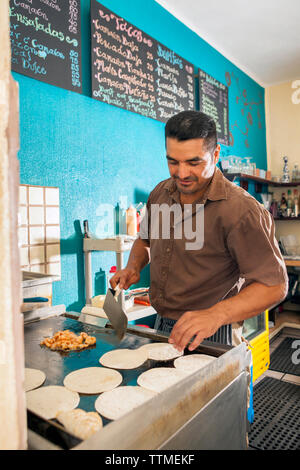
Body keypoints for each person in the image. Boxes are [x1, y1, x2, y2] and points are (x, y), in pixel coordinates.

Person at [110, 111, 288, 352]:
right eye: (173, 161)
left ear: (215, 155)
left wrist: (215, 315)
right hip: (163, 325)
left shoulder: (242, 210)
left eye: (194, 162)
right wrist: (133, 267)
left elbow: (274, 285)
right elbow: (145, 240)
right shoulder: (160, 194)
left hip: (216, 330)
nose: (181, 173)